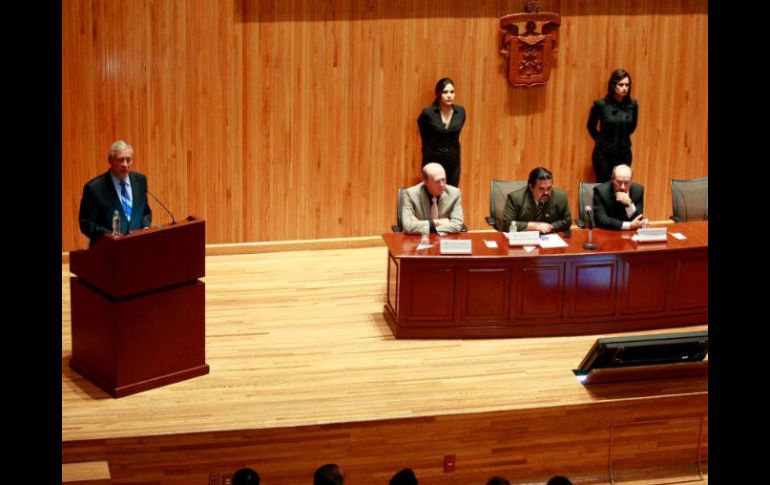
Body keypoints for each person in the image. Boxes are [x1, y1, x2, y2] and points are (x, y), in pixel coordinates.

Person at [78, 140, 152, 244]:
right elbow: (86, 223)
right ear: (110, 161)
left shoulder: (140, 180)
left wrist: (145, 227)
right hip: (107, 250)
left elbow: (145, 212)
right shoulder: (94, 188)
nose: (125, 164)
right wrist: (111, 236)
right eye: (121, 160)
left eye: (128, 159)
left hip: (137, 248)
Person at [587, 68, 638, 183]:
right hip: (604, 155)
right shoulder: (601, 105)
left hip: (624, 153)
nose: (624, 88)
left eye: (627, 85)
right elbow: (591, 126)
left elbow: (632, 127)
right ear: (613, 85)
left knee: (622, 186)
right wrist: (601, 141)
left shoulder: (633, 106)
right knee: (604, 186)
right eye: (621, 85)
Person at [417, 77, 467, 187]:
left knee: (451, 194)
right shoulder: (428, 113)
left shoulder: (461, 112)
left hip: (453, 162)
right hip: (433, 161)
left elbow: (456, 133)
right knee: (433, 196)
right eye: (445, 92)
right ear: (439, 94)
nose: (449, 95)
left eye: (452, 92)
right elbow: (423, 134)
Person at [501, 167, 572, 234]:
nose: (546, 192)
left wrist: (550, 227)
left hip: (549, 237)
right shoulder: (515, 198)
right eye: (541, 189)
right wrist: (534, 226)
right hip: (524, 237)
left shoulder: (560, 196)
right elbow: (507, 225)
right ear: (531, 187)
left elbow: (567, 221)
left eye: (549, 188)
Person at [401, 162, 464, 234]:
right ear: (425, 182)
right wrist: (437, 223)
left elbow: (457, 225)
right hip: (420, 240)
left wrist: (420, 225)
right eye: (437, 181)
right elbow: (407, 226)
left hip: (444, 240)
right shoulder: (410, 194)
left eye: (443, 180)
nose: (442, 184)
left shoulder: (454, 193)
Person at [592, 164, 646, 230]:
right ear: (612, 179)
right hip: (608, 232)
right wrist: (629, 225)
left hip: (630, 234)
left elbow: (638, 219)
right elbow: (601, 220)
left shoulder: (638, 191)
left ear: (631, 180)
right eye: (619, 182)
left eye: (626, 182)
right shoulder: (601, 191)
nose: (622, 187)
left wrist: (629, 204)